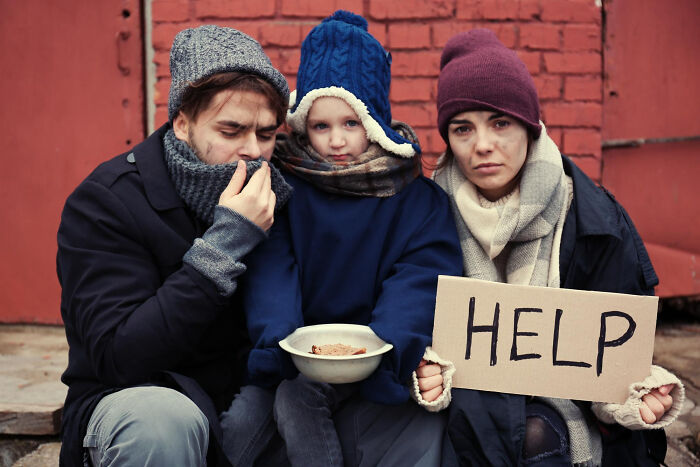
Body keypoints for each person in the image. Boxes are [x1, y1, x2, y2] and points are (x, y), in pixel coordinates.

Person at [412, 29, 685, 466]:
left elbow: (614, 358)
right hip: (464, 409)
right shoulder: (423, 215)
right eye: (463, 128)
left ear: (529, 126)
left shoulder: (595, 221)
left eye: (500, 122)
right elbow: (412, 323)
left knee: (535, 433)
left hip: (565, 416)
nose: (482, 145)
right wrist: (425, 373)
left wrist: (636, 395)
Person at [222, 11, 463, 467]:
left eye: (351, 123)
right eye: (321, 125)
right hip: (293, 353)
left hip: (375, 356)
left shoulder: (414, 199)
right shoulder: (285, 186)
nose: (336, 140)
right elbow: (272, 266)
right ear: (302, 125)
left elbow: (421, 277)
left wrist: (385, 346)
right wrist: (279, 343)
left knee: (299, 404)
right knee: (240, 426)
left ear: (374, 121)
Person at [56, 25, 293, 466]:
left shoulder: (279, 194)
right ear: (182, 123)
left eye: (265, 134)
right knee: (163, 418)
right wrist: (225, 245)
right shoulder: (107, 200)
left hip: (247, 406)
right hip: (139, 405)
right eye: (231, 130)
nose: (253, 151)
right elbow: (119, 357)